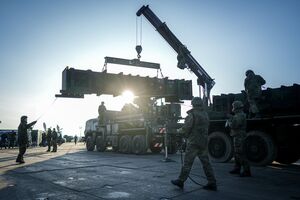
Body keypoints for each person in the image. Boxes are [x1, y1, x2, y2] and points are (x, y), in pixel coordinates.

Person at [171, 97, 217, 191]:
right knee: (206, 163)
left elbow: (186, 128)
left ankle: (181, 181)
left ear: (193, 104)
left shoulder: (192, 115)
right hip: (203, 142)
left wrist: (177, 131)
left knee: (187, 163)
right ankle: (212, 182)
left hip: (193, 143)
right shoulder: (205, 114)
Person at [227, 101, 251, 177]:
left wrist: (230, 121)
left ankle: (246, 170)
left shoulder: (239, 115)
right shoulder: (238, 115)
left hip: (239, 136)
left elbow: (234, 125)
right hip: (238, 136)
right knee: (237, 153)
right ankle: (237, 168)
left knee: (240, 153)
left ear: (236, 107)